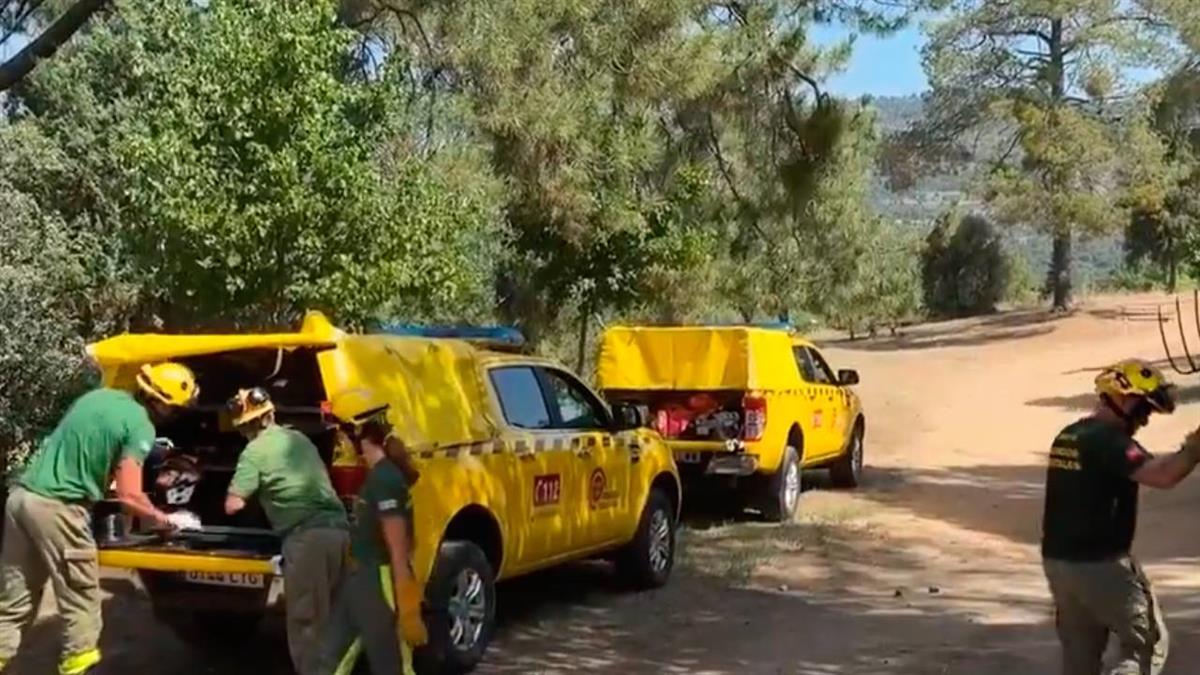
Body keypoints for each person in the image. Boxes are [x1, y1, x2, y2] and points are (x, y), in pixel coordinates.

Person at [0, 362, 198, 675]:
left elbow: (88, 448)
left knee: (14, 604)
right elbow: (129, 497)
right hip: (59, 508)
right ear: (160, 403)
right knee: (81, 599)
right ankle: (78, 667)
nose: (174, 415)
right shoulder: (141, 424)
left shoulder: (98, 397)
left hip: (21, 500)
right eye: (175, 410)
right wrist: (167, 519)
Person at [1041, 358, 1200, 675]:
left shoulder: (1070, 435)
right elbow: (1163, 475)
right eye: (1143, 409)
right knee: (1147, 647)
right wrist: (1195, 448)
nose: (1144, 420)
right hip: (1101, 566)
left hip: (1059, 563)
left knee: (1080, 658)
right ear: (1121, 398)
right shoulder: (1108, 441)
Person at [223, 387, 350, 675]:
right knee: (335, 620)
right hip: (340, 533)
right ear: (271, 414)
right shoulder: (299, 438)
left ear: (244, 426)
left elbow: (234, 504)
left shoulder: (253, 451)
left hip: (307, 539)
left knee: (307, 624)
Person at [315, 389, 427, 675]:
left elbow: (397, 542)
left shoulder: (386, 479)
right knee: (330, 660)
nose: (340, 440)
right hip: (360, 579)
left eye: (342, 432)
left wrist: (404, 596)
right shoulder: (377, 475)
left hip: (380, 582)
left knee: (391, 666)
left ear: (359, 435)